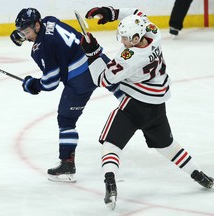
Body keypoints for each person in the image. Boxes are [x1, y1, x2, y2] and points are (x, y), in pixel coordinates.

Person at [80, 6, 213, 210]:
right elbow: (137, 13)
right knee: (166, 145)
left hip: (135, 106)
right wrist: (112, 13)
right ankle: (199, 174)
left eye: (125, 38)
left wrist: (92, 53)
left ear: (135, 39)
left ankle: (110, 181)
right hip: (157, 106)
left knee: (111, 144)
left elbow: (103, 79)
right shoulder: (153, 33)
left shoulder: (129, 59)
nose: (122, 42)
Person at [10, 8, 122, 183]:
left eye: (27, 31)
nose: (25, 35)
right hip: (97, 59)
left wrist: (32, 85)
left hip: (81, 79)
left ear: (37, 25)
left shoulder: (40, 49)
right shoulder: (50, 20)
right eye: (22, 31)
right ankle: (150, 122)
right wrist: (24, 35)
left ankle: (67, 164)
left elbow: (50, 82)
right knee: (129, 96)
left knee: (66, 120)